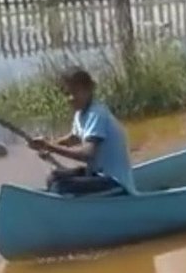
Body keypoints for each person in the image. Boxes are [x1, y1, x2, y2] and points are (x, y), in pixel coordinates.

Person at [28, 67, 135, 195]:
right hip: (97, 173)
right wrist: (48, 144)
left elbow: (87, 154)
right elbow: (74, 137)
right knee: (53, 178)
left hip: (115, 181)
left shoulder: (96, 113)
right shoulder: (81, 113)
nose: (71, 98)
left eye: (75, 92)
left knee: (61, 187)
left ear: (89, 90)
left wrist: (50, 147)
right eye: (67, 93)